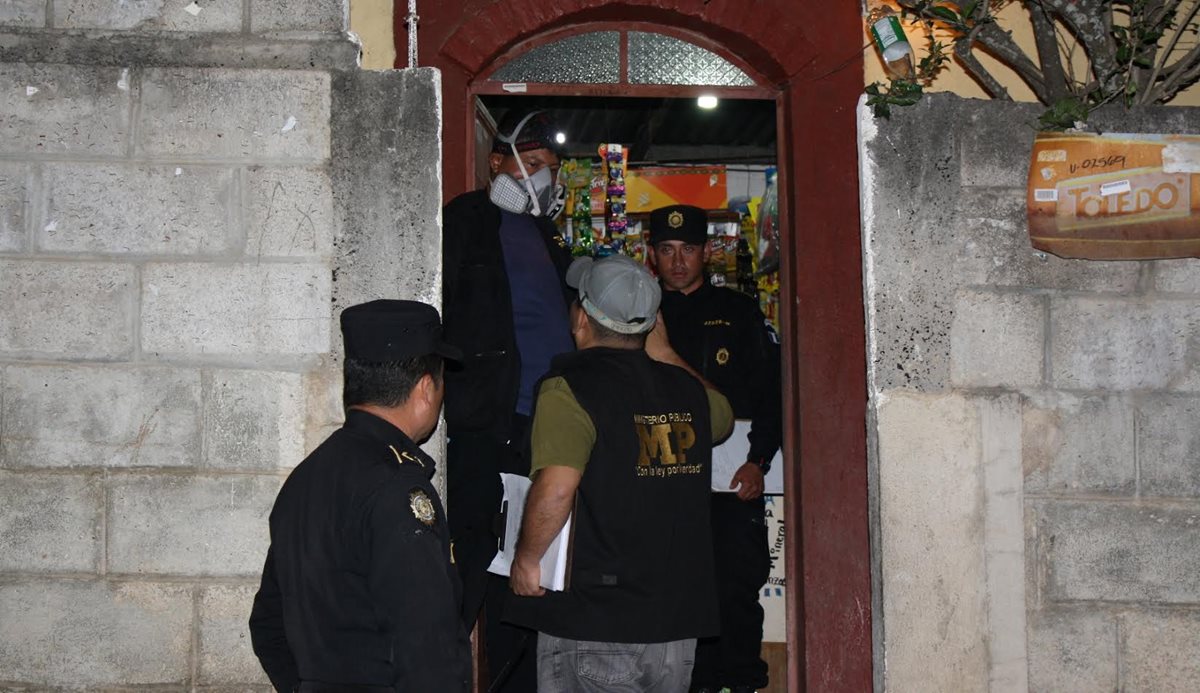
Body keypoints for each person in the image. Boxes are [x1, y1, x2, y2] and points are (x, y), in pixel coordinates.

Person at [505, 254, 735, 693]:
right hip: (673, 630)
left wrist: (528, 559)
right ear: (650, 326)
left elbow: (556, 488)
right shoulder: (685, 389)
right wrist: (665, 353)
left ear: (581, 320)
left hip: (596, 622)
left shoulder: (568, 388)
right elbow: (721, 415)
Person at [248, 300, 471, 692]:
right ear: (424, 388)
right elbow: (426, 646)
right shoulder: (397, 488)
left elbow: (269, 627)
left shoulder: (306, 478)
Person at [441, 109, 574, 691]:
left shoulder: (550, 238)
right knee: (467, 565)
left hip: (545, 431)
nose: (543, 179)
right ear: (499, 164)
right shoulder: (465, 221)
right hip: (485, 423)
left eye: (551, 169)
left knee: (528, 576)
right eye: (535, 165)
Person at [646, 204, 783, 693]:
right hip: (661, 478)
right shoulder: (638, 316)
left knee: (735, 590)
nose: (678, 261)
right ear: (652, 255)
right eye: (667, 250)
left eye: (688, 250)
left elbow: (772, 392)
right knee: (671, 593)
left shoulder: (738, 313)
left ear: (707, 252)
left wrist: (759, 459)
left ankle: (742, 684)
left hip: (730, 477)